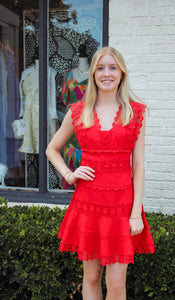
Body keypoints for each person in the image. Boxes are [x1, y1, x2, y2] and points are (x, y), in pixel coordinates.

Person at [46, 46, 155, 300]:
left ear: (121, 73)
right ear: (93, 73)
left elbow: (138, 165)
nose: (107, 73)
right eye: (101, 68)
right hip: (88, 204)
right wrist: (69, 173)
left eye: (113, 67)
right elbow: (52, 149)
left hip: (121, 207)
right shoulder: (78, 111)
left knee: (116, 284)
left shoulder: (135, 112)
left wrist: (136, 212)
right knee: (92, 277)